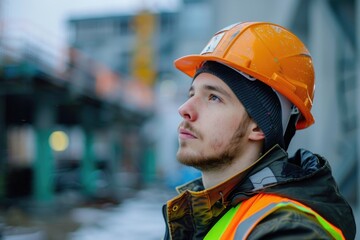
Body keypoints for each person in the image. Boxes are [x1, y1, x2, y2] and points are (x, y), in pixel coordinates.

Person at [162, 22, 356, 239]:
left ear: (258, 125)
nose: (184, 109)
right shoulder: (208, 214)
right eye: (191, 95)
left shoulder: (289, 231)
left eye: (213, 97)